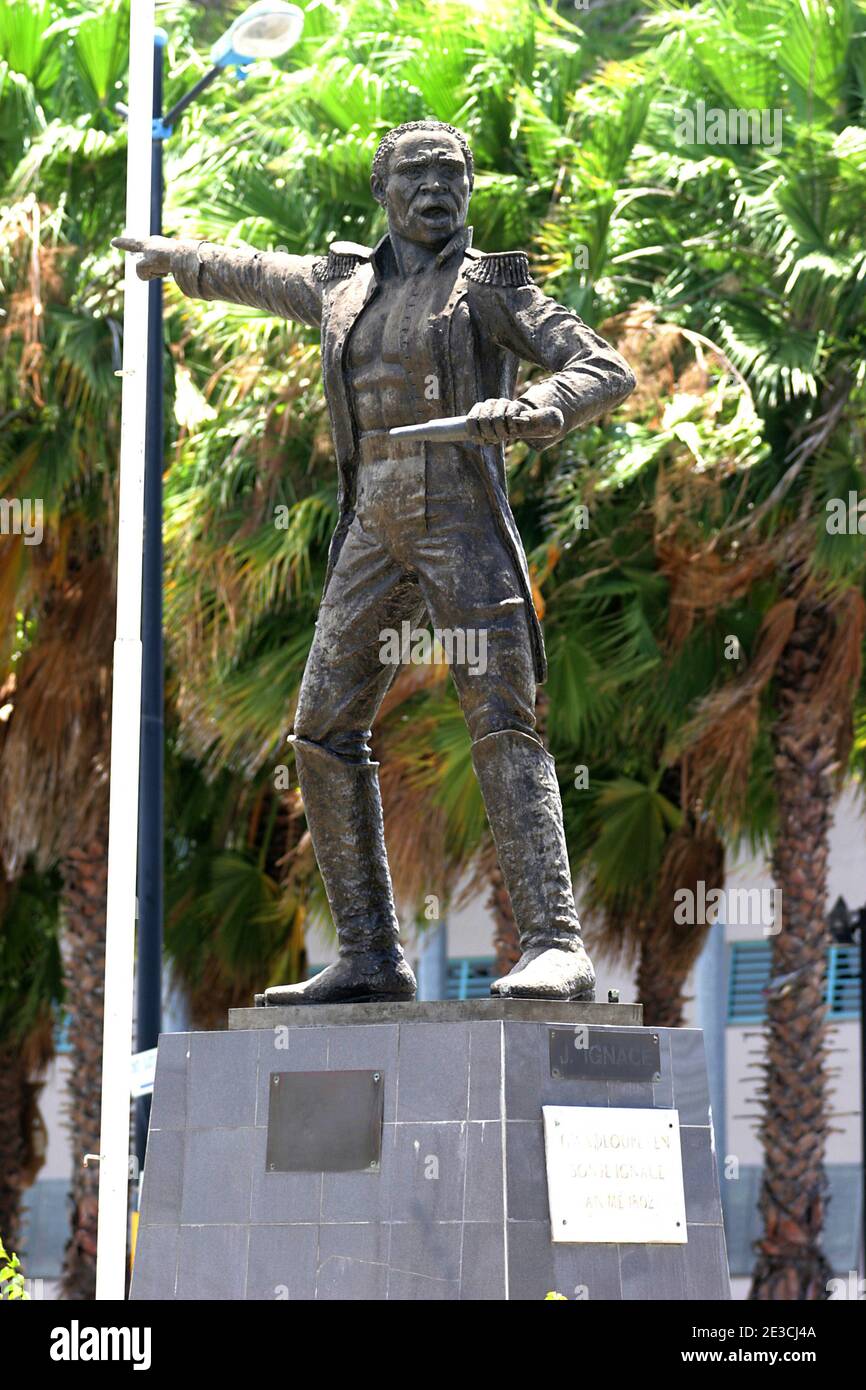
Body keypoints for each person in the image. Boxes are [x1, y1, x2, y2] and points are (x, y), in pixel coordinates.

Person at [115, 119, 635, 1004]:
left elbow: (603, 367)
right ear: (382, 190)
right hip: (373, 524)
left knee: (502, 719)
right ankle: (369, 956)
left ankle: (556, 943)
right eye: (417, 174)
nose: (437, 188)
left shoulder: (491, 285)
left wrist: (538, 409)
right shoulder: (343, 282)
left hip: (462, 520)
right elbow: (254, 272)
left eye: (452, 174)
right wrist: (174, 255)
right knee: (320, 728)